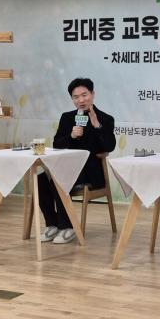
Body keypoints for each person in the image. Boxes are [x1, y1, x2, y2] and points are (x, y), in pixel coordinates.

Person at [38, 78, 116, 244]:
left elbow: (109, 146)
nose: (81, 100)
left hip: (90, 172)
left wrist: (97, 126)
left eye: (84, 95)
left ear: (92, 94)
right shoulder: (67, 118)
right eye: (76, 97)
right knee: (41, 179)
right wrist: (71, 136)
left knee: (58, 178)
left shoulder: (105, 119)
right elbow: (57, 144)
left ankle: (68, 226)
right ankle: (52, 224)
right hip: (67, 167)